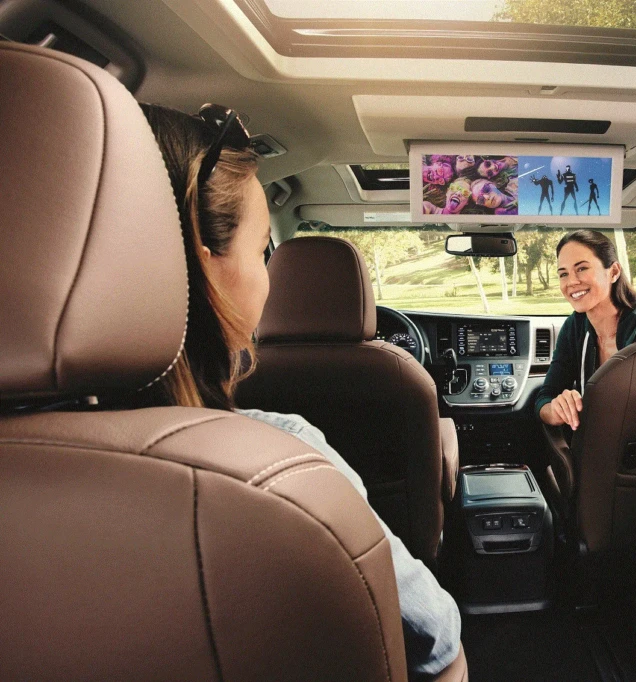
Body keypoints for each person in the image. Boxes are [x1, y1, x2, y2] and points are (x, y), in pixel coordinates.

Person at [135, 103, 461, 676]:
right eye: (264, 249)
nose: (269, 275)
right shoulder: (286, 453)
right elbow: (435, 639)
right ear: (204, 263)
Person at [536, 230, 636, 431]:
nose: (571, 282)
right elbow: (545, 397)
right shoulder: (574, 327)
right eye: (563, 274)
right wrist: (556, 409)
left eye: (582, 268)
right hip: (595, 445)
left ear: (613, 272)